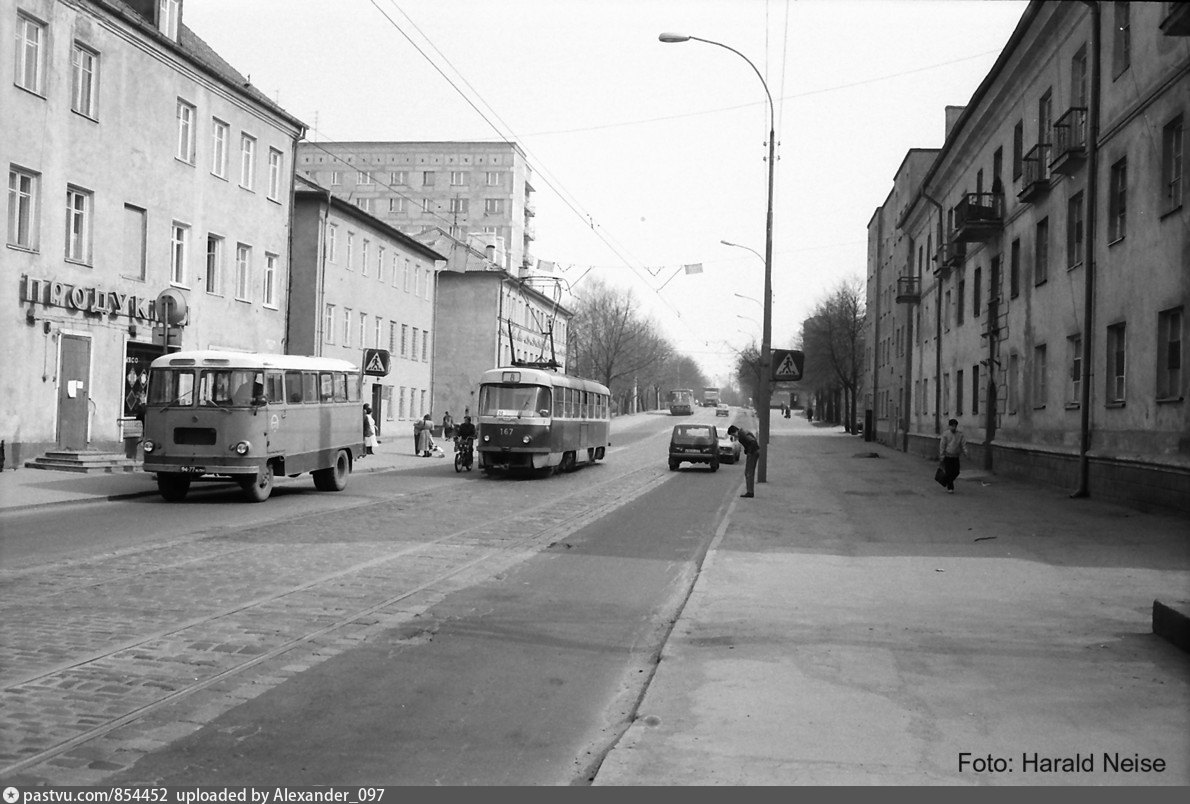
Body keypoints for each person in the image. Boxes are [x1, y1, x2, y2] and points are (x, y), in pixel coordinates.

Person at [727, 424, 761, 498]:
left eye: (733, 435)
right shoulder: (743, 432)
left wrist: (749, 451)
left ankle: (750, 492)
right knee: (749, 472)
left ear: (734, 432)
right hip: (754, 452)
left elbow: (752, 442)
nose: (734, 437)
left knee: (749, 472)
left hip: (753, 453)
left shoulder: (742, 434)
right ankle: (750, 491)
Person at [938, 418, 969, 494]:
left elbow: (963, 444)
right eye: (952, 426)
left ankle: (946, 480)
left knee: (956, 472)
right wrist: (941, 455)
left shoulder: (960, 435)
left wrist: (965, 451)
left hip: (955, 456)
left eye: (955, 426)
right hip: (948, 456)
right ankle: (950, 487)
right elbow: (942, 445)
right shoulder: (945, 434)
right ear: (949, 426)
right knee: (949, 472)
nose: (953, 427)